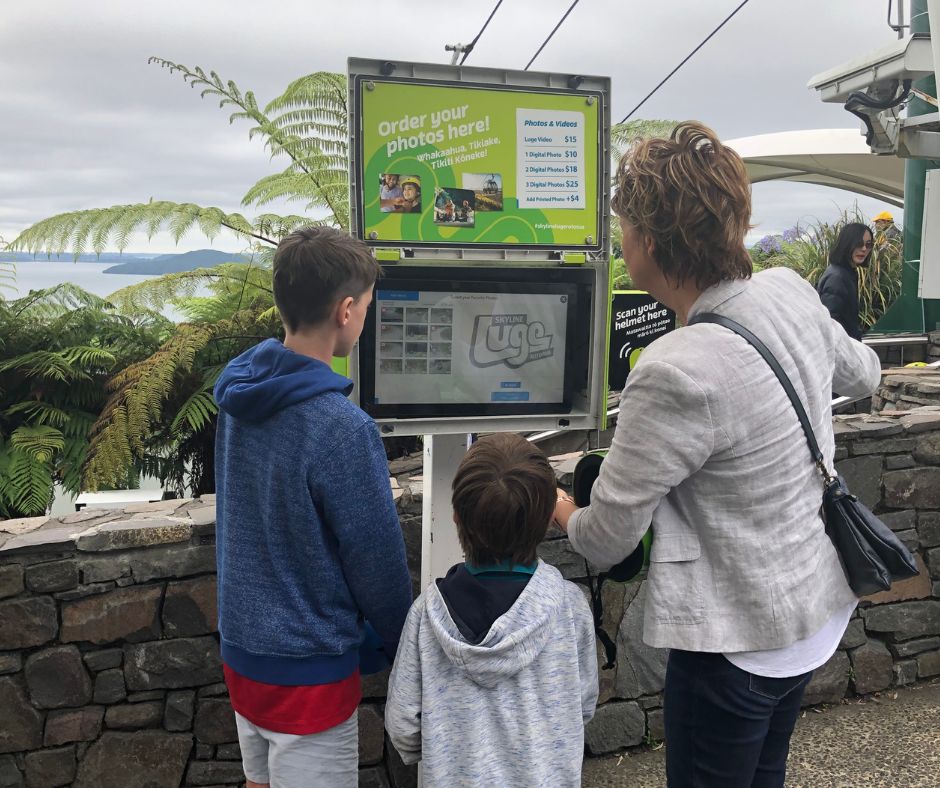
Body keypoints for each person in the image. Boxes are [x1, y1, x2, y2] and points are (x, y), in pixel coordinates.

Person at [551, 122, 881, 788]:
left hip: (735, 644)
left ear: (646, 242)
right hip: (811, 617)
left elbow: (609, 540)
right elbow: (867, 374)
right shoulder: (790, 291)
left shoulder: (674, 369)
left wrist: (560, 508)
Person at [213, 226, 413, 788]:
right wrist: (404, 642)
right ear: (346, 310)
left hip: (243, 650)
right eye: (368, 307)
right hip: (309, 668)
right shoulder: (341, 429)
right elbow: (375, 560)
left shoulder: (238, 398)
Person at [385, 433, 598, 787]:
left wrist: (448, 748)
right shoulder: (569, 607)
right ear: (548, 518)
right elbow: (582, 706)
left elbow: (404, 727)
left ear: (455, 516)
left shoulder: (426, 616)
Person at [816, 222, 874, 340]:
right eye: (858, 243)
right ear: (847, 244)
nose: (864, 249)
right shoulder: (837, 278)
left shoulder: (847, 273)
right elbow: (830, 324)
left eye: (868, 244)